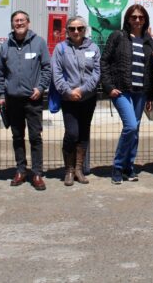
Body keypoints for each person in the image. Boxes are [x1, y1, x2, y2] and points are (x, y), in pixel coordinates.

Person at [0, 10, 51, 191]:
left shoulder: (39, 43)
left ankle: (36, 173)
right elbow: (1, 74)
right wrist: (2, 95)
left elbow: (46, 69)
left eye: (22, 20)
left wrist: (41, 88)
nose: (19, 23)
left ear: (28, 22)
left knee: (35, 137)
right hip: (13, 101)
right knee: (17, 137)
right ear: (12, 24)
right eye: (16, 21)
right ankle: (21, 170)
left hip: (32, 100)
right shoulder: (5, 46)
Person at [101, 4, 153, 185]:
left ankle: (128, 166)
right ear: (128, 19)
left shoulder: (148, 40)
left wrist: (150, 96)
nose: (137, 20)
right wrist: (108, 86)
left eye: (140, 17)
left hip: (141, 92)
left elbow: (150, 69)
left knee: (135, 131)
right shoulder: (118, 36)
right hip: (122, 90)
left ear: (145, 19)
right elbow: (104, 61)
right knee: (130, 126)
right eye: (133, 17)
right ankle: (117, 166)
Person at [52, 16, 100, 187]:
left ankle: (79, 169)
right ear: (67, 30)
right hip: (69, 98)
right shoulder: (61, 48)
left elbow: (96, 73)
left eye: (80, 28)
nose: (76, 31)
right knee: (72, 133)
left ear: (85, 30)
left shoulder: (93, 47)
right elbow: (56, 73)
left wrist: (83, 90)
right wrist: (69, 91)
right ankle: (69, 170)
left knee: (84, 132)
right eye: (72, 28)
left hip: (88, 97)